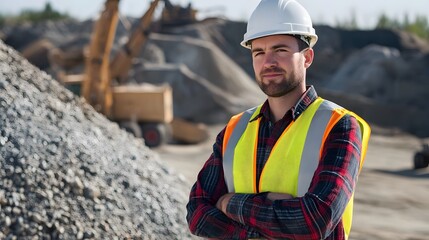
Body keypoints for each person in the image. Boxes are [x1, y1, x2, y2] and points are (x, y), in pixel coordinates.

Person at [186, 0, 371, 239]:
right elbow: (197, 214)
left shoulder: (339, 126)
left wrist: (229, 203)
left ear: (307, 57)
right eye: (259, 52)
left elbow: (315, 221)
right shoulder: (235, 130)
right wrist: (263, 226)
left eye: (280, 50)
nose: (268, 62)